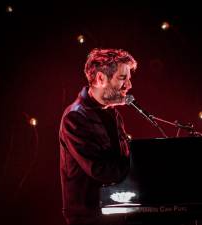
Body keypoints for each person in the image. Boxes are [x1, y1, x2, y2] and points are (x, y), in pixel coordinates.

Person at [59, 48, 137, 225]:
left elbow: (121, 158)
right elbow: (100, 169)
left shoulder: (113, 114)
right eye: (123, 78)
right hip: (89, 216)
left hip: (112, 209)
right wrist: (139, 171)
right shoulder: (75, 117)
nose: (129, 86)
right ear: (101, 78)